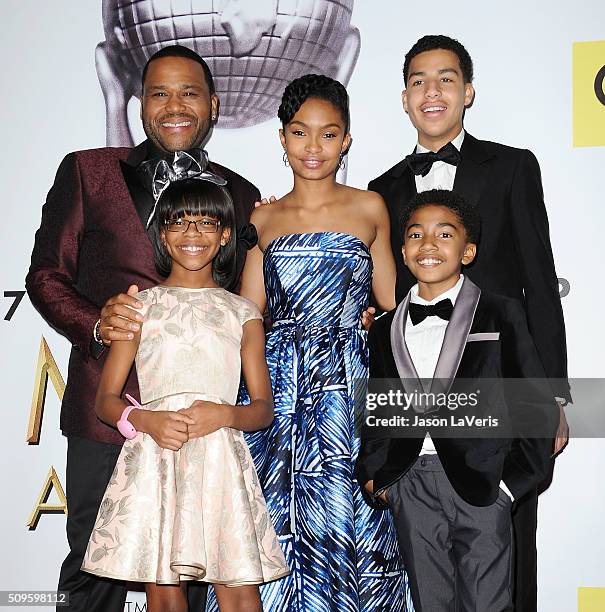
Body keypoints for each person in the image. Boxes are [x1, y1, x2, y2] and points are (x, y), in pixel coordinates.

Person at [25, 45, 260, 612]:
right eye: (159, 93)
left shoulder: (242, 194)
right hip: (110, 412)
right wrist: (101, 324)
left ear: (214, 105)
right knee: (94, 568)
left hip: (199, 426)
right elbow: (46, 277)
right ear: (139, 103)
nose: (173, 106)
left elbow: (245, 307)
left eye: (189, 92)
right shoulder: (88, 170)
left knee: (199, 571)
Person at [368, 34, 569, 610]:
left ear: (468, 91)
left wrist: (553, 396)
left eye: (446, 79)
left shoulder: (512, 167)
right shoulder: (381, 190)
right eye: (418, 82)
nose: (432, 92)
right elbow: (389, 310)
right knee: (428, 580)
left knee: (507, 563)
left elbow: (540, 285)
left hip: (501, 396)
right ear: (404, 98)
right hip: (420, 425)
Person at [233, 74, 408, 611]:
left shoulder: (370, 207)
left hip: (347, 380)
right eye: (300, 133)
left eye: (329, 135)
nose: (314, 148)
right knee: (273, 507)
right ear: (282, 138)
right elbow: (247, 315)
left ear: (347, 140)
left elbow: (391, 303)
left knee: (350, 502)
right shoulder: (262, 218)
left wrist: (367, 323)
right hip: (279, 383)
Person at [80, 179, 288, 611]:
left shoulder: (244, 313)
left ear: (226, 233)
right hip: (157, 458)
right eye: (179, 222)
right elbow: (106, 400)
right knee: (164, 587)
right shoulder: (139, 307)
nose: (193, 234)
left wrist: (225, 415)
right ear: (161, 233)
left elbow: (263, 409)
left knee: (238, 588)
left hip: (220, 460)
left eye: (206, 222)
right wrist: (146, 420)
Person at [356, 189, 558, 611]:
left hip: (483, 482)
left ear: (467, 251)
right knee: (430, 601)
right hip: (409, 481)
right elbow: (378, 405)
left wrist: (510, 484)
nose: (428, 245)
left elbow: (533, 404)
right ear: (403, 249)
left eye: (444, 235)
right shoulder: (385, 326)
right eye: (415, 235)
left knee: (487, 603)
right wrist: (379, 476)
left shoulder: (501, 312)